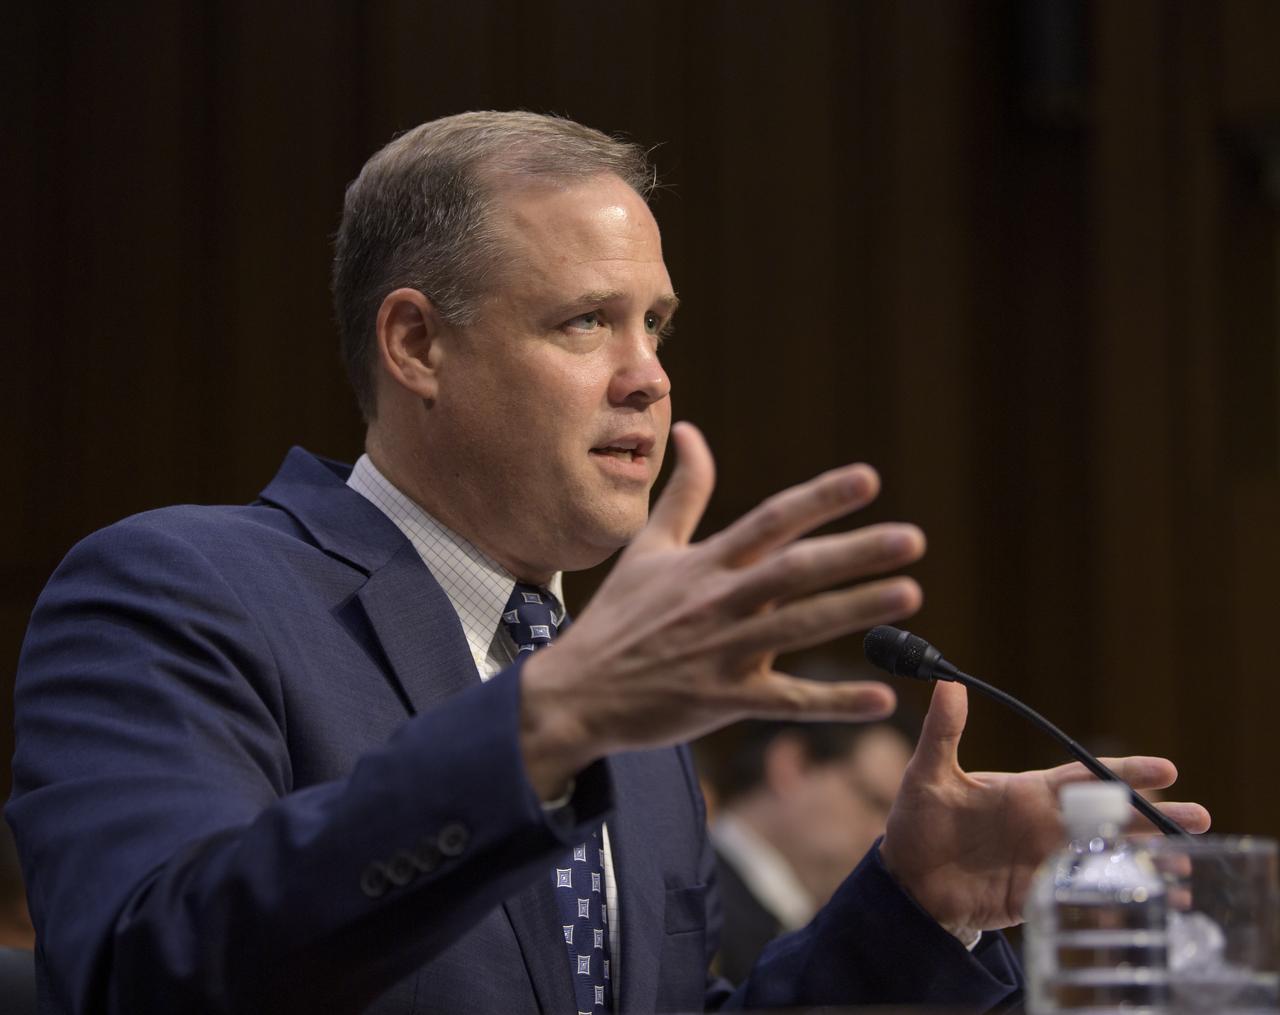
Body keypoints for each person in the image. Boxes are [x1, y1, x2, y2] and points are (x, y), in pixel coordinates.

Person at [5, 111, 1209, 1014]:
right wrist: (544, 724)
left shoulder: (619, 707)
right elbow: (139, 972)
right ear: (416, 342)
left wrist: (910, 905)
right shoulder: (179, 590)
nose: (648, 373)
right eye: (586, 320)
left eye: (655, 324)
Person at [696, 665, 916, 983]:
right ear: (792, 764)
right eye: (876, 802)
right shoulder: (693, 899)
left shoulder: (798, 931)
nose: (884, 835)